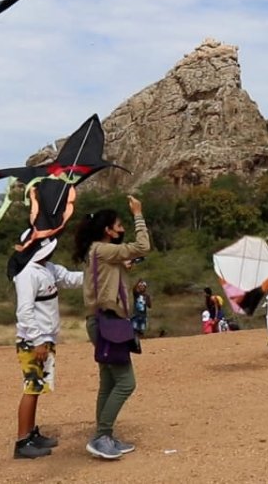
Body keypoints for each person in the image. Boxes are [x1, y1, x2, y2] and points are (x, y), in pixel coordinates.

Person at [76, 197, 151, 460]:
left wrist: (123, 264)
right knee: (126, 382)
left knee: (108, 382)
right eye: (119, 225)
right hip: (108, 322)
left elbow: (110, 273)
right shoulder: (103, 250)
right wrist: (138, 214)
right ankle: (101, 437)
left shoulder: (96, 251)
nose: (122, 229)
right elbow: (143, 246)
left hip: (100, 321)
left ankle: (104, 435)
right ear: (108, 229)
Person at [11, 223, 86, 460]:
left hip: (45, 339)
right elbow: (24, 312)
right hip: (33, 341)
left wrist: (101, 272)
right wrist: (38, 341)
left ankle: (32, 433)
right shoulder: (27, 275)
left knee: (38, 387)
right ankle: (23, 442)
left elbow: (72, 279)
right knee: (31, 388)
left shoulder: (48, 269)